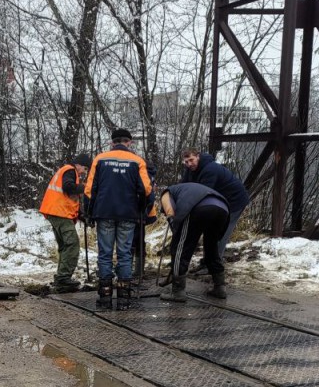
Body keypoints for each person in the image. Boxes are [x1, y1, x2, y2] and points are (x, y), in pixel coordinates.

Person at [84, 128, 152, 310]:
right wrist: (142, 209)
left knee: (105, 254)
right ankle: (124, 299)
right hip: (128, 215)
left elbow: (90, 190)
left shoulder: (100, 159)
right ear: (129, 142)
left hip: (104, 212)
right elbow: (146, 189)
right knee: (124, 254)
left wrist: (88, 213)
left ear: (112, 142)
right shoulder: (137, 161)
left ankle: (105, 298)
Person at [159, 181, 230, 302]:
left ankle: (178, 291)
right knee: (211, 247)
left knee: (181, 248)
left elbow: (170, 213)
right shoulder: (186, 189)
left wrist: (175, 237)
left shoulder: (166, 193)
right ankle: (220, 287)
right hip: (223, 208)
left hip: (198, 207)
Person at [180, 149, 250, 270]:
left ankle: (213, 267)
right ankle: (206, 262)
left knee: (219, 234)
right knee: (209, 232)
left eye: (191, 160)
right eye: (186, 162)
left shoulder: (210, 170)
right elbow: (184, 186)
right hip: (219, 202)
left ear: (198, 156)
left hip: (234, 202)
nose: (189, 164)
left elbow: (202, 194)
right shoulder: (190, 170)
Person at [39, 153, 91, 293]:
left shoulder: (67, 171)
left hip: (56, 211)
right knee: (72, 244)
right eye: (84, 169)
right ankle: (63, 279)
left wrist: (82, 217)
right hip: (59, 212)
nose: (84, 172)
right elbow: (68, 187)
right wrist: (85, 187)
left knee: (64, 246)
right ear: (78, 164)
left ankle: (61, 277)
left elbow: (69, 198)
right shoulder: (69, 170)